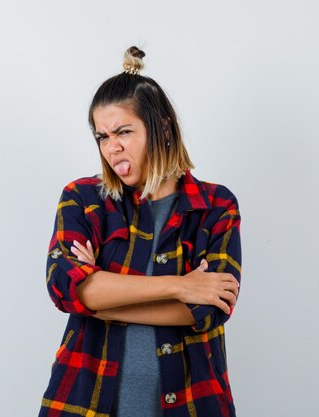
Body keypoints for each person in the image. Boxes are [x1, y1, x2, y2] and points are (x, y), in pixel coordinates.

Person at [38, 46, 243, 417]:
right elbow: (66, 287)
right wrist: (180, 285)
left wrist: (101, 299)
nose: (111, 147)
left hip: (194, 404)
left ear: (162, 126)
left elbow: (207, 310)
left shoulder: (216, 206)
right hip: (84, 402)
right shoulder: (83, 199)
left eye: (123, 131)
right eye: (102, 136)